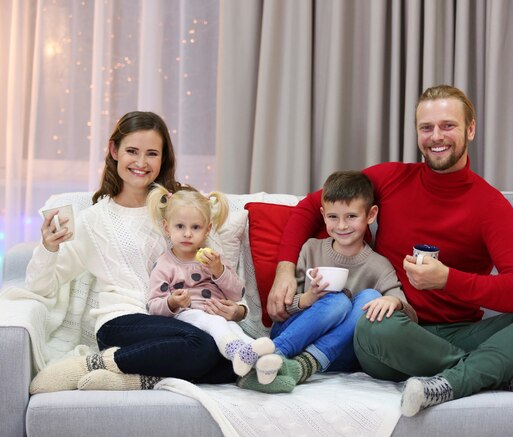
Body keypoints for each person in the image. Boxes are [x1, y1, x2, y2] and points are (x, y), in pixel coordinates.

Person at [267, 85, 513, 414]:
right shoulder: (391, 179)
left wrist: (447, 280)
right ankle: (490, 374)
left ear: (470, 129)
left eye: (448, 125)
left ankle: (454, 380)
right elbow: (310, 207)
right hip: (394, 332)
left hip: (461, 333)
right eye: (426, 128)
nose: (436, 136)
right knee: (369, 324)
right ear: (417, 133)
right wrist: (285, 269)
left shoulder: (491, 206)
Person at [27, 111, 247, 393]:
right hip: (122, 322)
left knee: (235, 360)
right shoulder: (94, 221)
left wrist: (239, 311)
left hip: (180, 321)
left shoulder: (182, 207)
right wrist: (49, 247)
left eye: (152, 154)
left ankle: (134, 379)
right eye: (132, 151)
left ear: (163, 158)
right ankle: (95, 364)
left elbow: (221, 272)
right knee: (202, 346)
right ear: (114, 150)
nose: (141, 163)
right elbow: (40, 285)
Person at [238, 170, 417, 394]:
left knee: (371, 297)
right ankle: (275, 353)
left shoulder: (379, 266)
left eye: (351, 216)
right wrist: (307, 298)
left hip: (339, 352)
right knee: (338, 301)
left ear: (371, 215)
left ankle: (292, 367)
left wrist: (394, 302)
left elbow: (410, 316)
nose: (341, 226)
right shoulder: (310, 249)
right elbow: (280, 311)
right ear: (322, 214)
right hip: (293, 336)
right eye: (333, 217)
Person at [145, 183, 282, 382]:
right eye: (180, 226)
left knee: (235, 329)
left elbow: (237, 294)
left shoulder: (213, 259)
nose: (187, 234)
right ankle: (238, 353)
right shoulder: (165, 264)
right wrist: (173, 302)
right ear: (167, 227)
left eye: (196, 227)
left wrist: (219, 271)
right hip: (188, 317)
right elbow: (153, 305)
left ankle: (264, 363)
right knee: (215, 322)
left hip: (219, 315)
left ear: (207, 229)